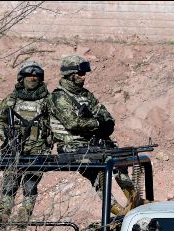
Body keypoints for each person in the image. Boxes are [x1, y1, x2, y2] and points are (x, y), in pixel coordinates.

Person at [47, 55, 141, 216]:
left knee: (118, 161)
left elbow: (104, 113)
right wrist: (98, 124)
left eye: (84, 73)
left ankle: (134, 201)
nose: (84, 77)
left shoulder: (86, 95)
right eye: (80, 73)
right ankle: (118, 210)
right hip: (72, 147)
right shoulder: (58, 97)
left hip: (93, 144)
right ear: (70, 74)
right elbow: (72, 123)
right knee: (98, 173)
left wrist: (105, 124)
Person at [0, 61, 51, 224]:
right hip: (15, 148)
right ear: (21, 78)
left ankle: (23, 217)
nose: (33, 78)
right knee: (9, 183)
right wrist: (6, 138)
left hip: (38, 150)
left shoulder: (48, 100)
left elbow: (57, 123)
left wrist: (50, 141)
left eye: (36, 75)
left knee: (30, 184)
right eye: (29, 75)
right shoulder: (12, 99)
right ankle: (3, 216)